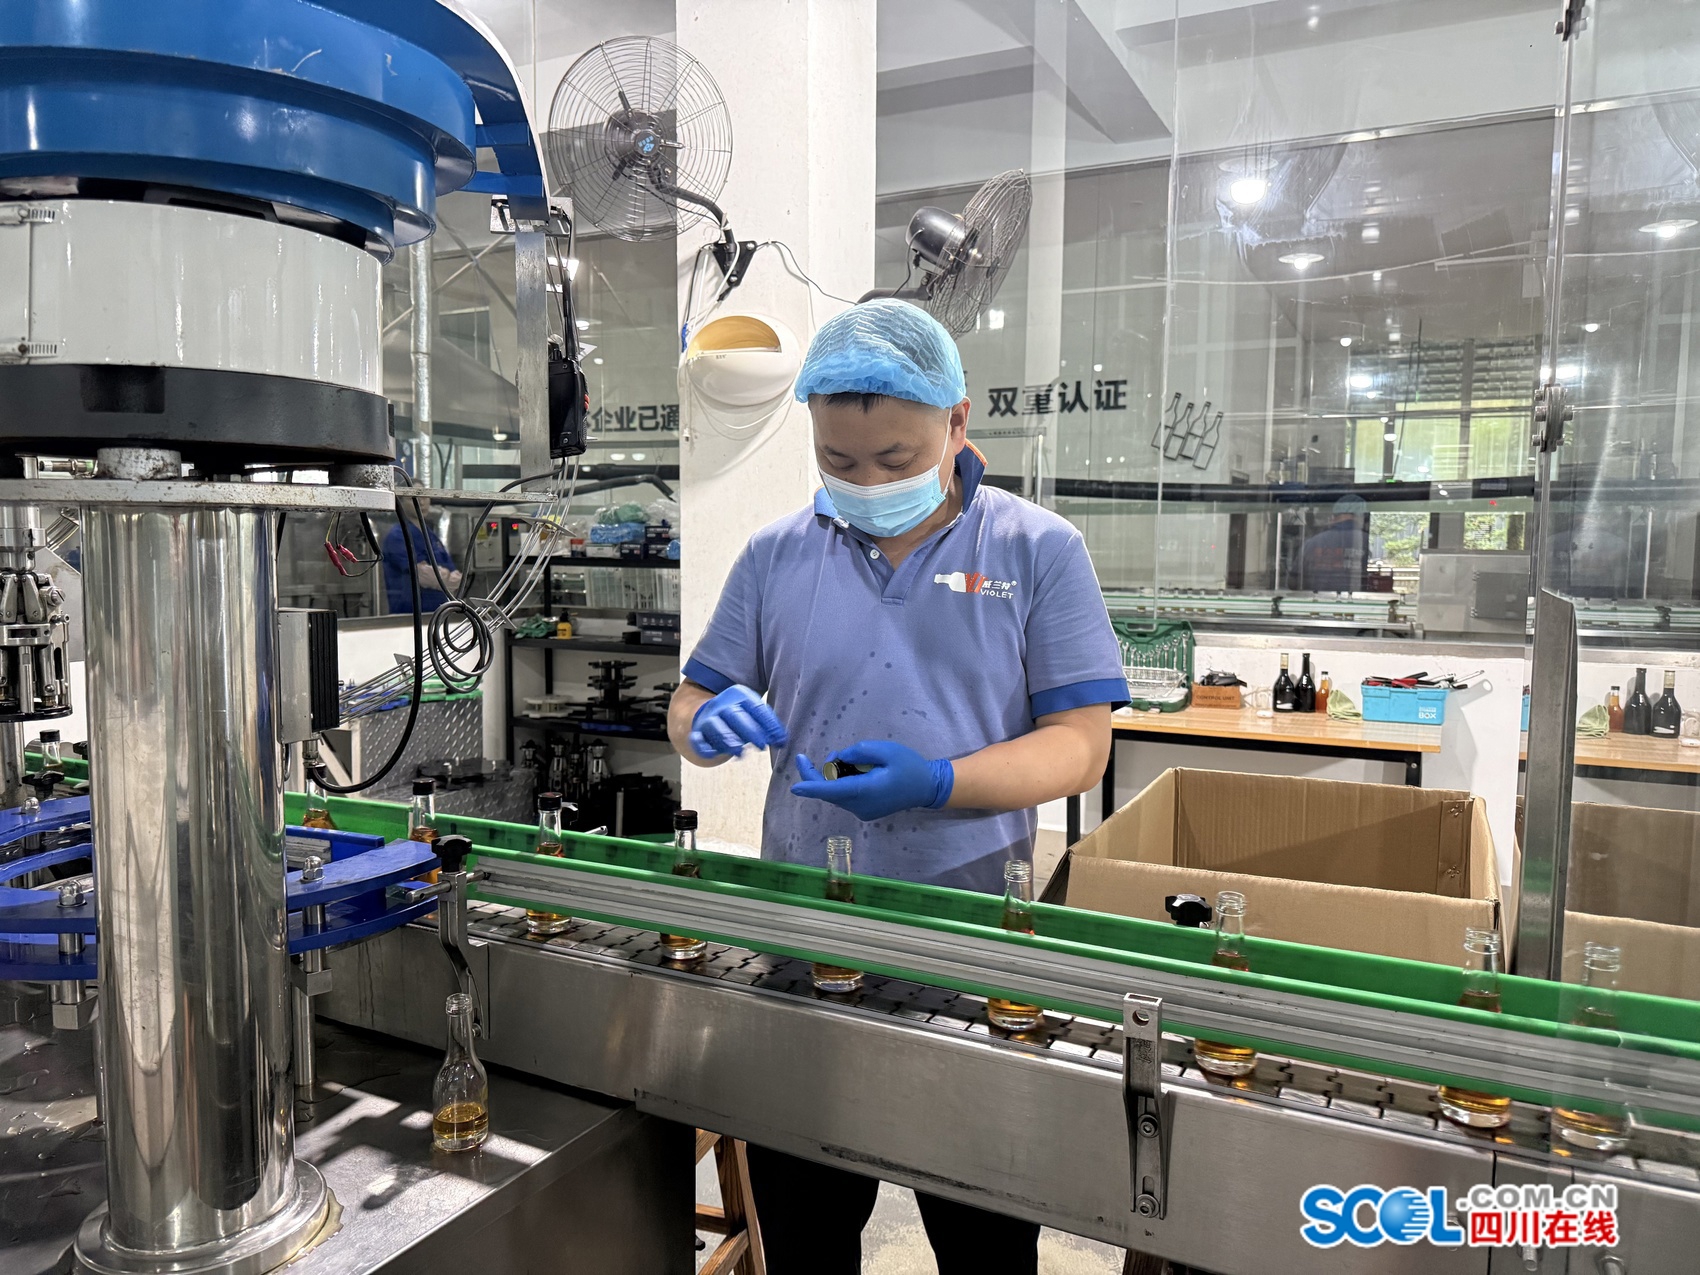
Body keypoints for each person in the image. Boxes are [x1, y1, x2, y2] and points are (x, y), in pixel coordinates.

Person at [666, 299, 1127, 1274]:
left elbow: (1080, 746)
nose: (867, 482)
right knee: (807, 1233)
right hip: (805, 947)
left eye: (895, 458)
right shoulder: (776, 555)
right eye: (838, 460)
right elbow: (691, 698)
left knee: (984, 1241)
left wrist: (939, 781)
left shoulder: (1036, 551)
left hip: (967, 948)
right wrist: (701, 724)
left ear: (957, 423)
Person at [381, 498, 461, 613]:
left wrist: (442, 576)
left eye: (424, 497)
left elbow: (457, 578)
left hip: (438, 611)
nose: (421, 503)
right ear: (401, 502)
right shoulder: (398, 536)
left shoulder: (431, 535)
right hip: (410, 612)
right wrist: (446, 577)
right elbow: (424, 576)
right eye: (412, 498)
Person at [1298, 494, 1370, 592]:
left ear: (1334, 516)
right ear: (1359, 515)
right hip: (1355, 600)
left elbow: (1294, 582)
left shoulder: (1313, 542)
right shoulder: (1364, 541)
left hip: (1317, 599)